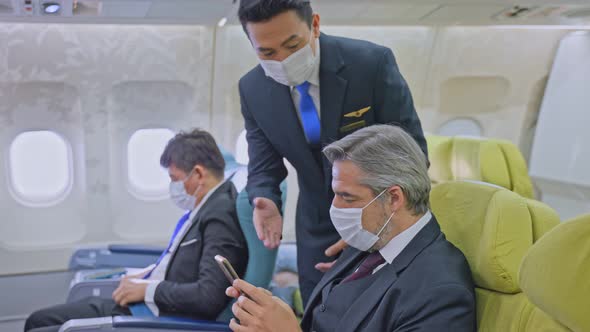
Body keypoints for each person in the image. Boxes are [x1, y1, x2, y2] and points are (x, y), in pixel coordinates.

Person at [237, 0, 428, 303]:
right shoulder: (253, 89)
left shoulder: (370, 64)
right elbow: (263, 164)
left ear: (314, 25)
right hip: (315, 224)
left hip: (381, 219)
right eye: (268, 53)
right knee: (320, 310)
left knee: (370, 310)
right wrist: (264, 199)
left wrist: (376, 226)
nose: (283, 60)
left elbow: (412, 153)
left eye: (292, 45)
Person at [226, 125, 475, 332]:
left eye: (348, 197)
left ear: (394, 198)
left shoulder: (439, 293)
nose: (335, 206)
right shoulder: (372, 240)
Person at [25, 129, 248, 332]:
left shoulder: (221, 215)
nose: (174, 188)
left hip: (156, 318)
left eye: (174, 179)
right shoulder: (206, 206)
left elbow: (207, 297)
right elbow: (190, 263)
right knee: (45, 319)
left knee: (39, 323)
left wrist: (148, 289)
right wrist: (150, 273)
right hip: (144, 306)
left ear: (198, 174)